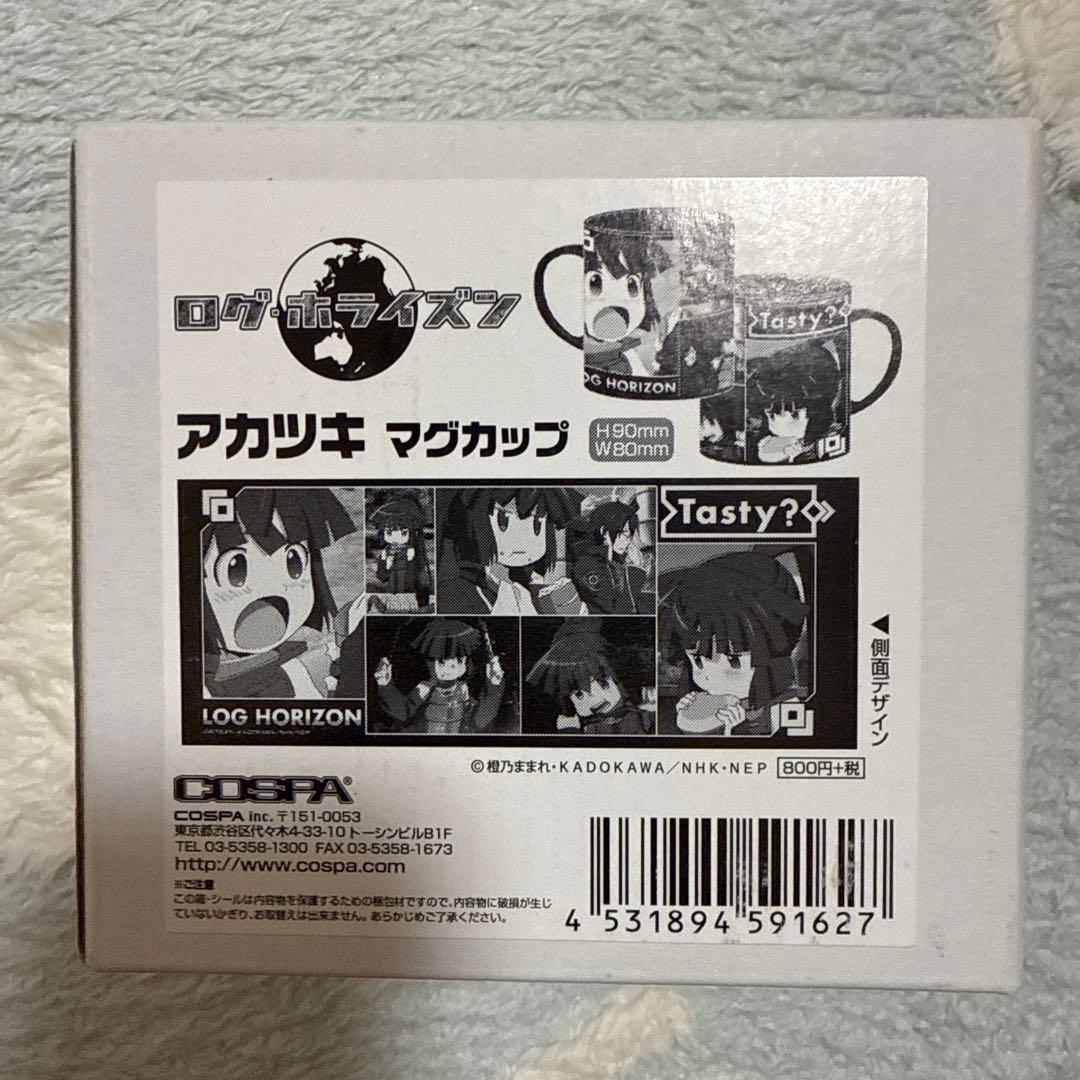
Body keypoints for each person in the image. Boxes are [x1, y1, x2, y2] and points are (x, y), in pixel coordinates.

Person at [201, 487, 363, 698]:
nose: (272, 601)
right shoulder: (201, 683)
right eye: (236, 570)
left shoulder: (295, 663)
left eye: (294, 562)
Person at [660, 550, 808, 735]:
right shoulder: (712, 696)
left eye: (734, 662)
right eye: (697, 661)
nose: (709, 678)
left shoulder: (788, 709)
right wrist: (694, 716)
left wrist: (738, 731)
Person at [438, 487, 585, 615]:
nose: (521, 540)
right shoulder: (458, 589)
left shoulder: (524, 587)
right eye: (503, 521)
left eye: (537, 525)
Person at [373, 619, 505, 735]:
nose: (449, 668)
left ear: (465, 663)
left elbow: (480, 720)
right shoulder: (425, 689)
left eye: (458, 661)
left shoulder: (463, 689)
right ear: (431, 663)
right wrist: (385, 685)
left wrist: (494, 685)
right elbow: (402, 712)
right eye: (442, 662)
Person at [526, 619, 654, 735]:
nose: (593, 697)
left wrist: (653, 712)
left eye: (604, 684)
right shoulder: (581, 728)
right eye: (579, 694)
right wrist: (569, 732)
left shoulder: (642, 714)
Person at [746, 340, 842, 464]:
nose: (784, 412)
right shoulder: (821, 383)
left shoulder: (762, 393)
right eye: (794, 414)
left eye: (772, 414)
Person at [568, 498, 654, 614]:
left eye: (630, 535)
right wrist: (635, 572)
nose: (628, 541)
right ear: (604, 532)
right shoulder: (587, 565)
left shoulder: (618, 563)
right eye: (624, 534)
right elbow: (611, 607)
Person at [369, 494, 432, 611]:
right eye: (389, 532)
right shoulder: (386, 551)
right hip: (391, 591)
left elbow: (416, 575)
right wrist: (385, 564)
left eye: (403, 532)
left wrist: (411, 560)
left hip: (408, 591)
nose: (395, 537)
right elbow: (381, 576)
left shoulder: (412, 551)